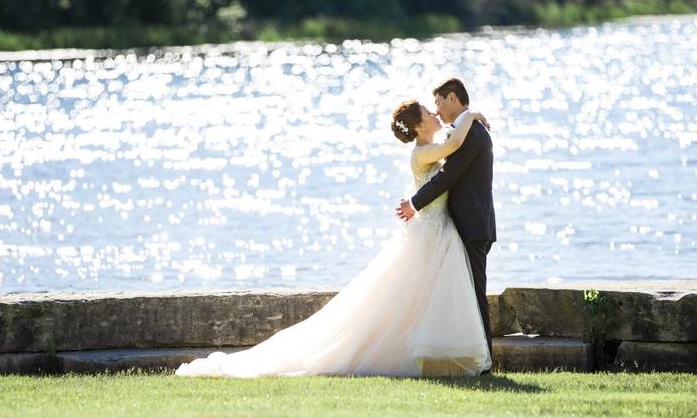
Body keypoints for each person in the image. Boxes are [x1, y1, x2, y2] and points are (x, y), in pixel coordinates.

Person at [175, 87, 492, 378]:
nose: (434, 113)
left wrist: (466, 118)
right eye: (428, 111)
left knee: (423, 299)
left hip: (438, 231)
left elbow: (451, 150)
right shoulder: (423, 153)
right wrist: (471, 115)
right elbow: (452, 146)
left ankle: (440, 356)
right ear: (420, 127)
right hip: (430, 232)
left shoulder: (430, 147)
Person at [397, 77, 497, 366]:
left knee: (474, 295)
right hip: (453, 227)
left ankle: (483, 362)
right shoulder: (461, 132)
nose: (436, 110)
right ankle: (476, 361)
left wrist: (415, 203)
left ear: (453, 98)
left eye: (438, 103)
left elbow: (447, 176)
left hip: (471, 226)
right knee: (456, 295)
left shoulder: (471, 134)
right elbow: (446, 169)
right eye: (431, 110)